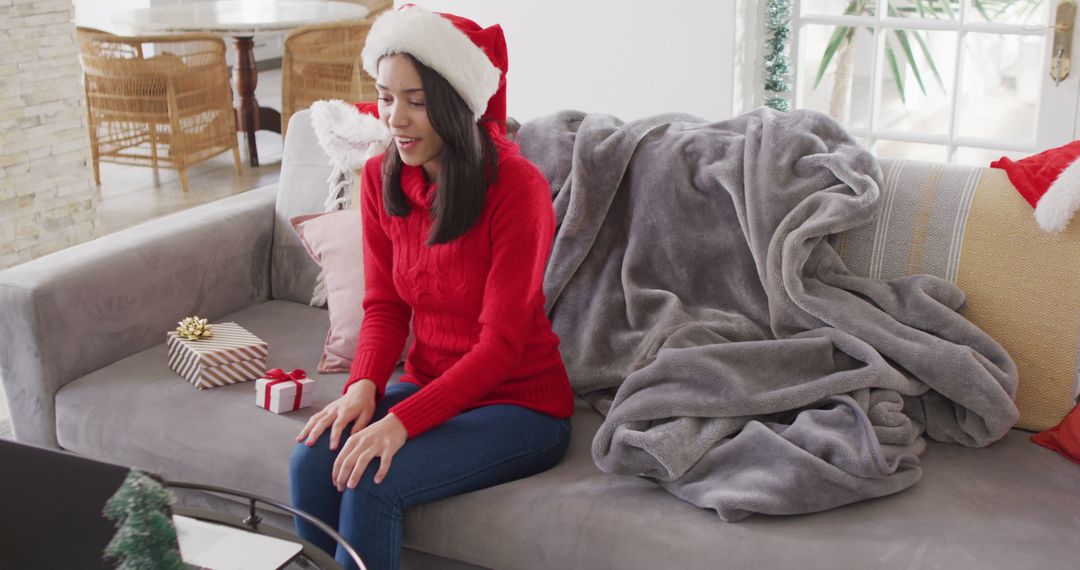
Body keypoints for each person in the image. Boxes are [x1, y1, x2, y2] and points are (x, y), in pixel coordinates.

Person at [289, 6, 575, 570]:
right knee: (310, 459)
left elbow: (499, 348)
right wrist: (363, 387)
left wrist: (400, 423)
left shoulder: (517, 188)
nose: (395, 118)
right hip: (429, 385)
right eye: (386, 96)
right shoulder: (378, 177)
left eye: (417, 102)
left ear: (456, 103)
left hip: (520, 405)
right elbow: (384, 307)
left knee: (373, 479)